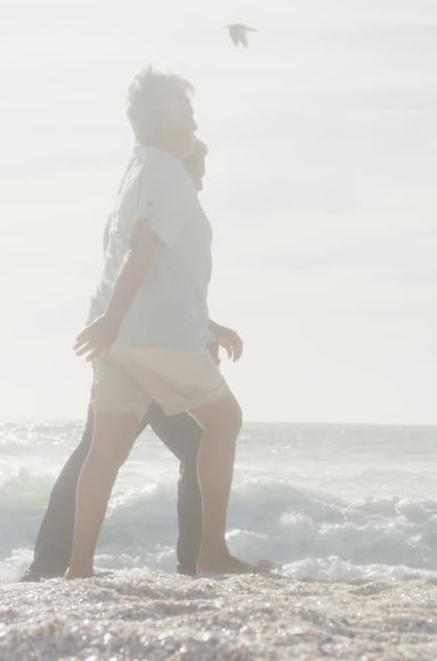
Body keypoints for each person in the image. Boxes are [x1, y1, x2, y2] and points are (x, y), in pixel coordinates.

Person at [67, 67, 266, 578]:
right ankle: (212, 554)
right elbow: (142, 249)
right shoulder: (171, 174)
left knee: (106, 448)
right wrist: (114, 321)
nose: (195, 124)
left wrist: (116, 325)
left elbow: (160, 270)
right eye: (188, 113)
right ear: (164, 118)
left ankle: (78, 567)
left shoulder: (136, 168)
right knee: (224, 421)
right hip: (153, 332)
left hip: (121, 335)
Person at [19, 141, 228, 581]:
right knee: (204, 437)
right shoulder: (163, 202)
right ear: (178, 165)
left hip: (125, 344)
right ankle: (198, 560)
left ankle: (55, 565)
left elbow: (163, 289)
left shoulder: (137, 202)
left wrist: (209, 328)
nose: (201, 182)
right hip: (146, 351)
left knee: (96, 451)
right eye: (198, 172)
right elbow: (153, 287)